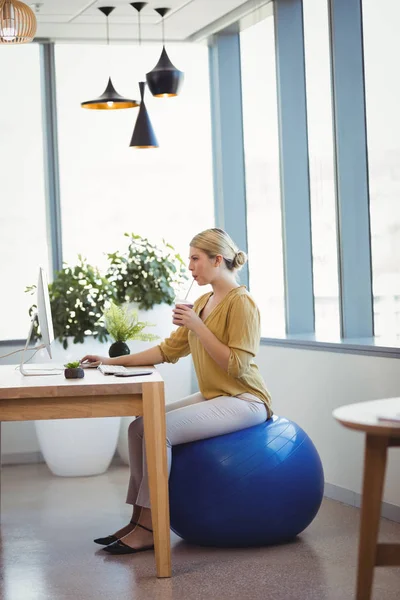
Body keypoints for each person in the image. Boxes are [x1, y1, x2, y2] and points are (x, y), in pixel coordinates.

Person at [81, 228, 272, 555]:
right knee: (140, 427)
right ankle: (138, 519)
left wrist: (197, 326)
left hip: (245, 400)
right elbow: (167, 351)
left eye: (195, 259)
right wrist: (112, 361)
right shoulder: (202, 302)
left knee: (160, 430)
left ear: (217, 259)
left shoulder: (243, 303)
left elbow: (236, 366)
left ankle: (151, 528)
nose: (190, 267)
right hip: (216, 395)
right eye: (189, 260)